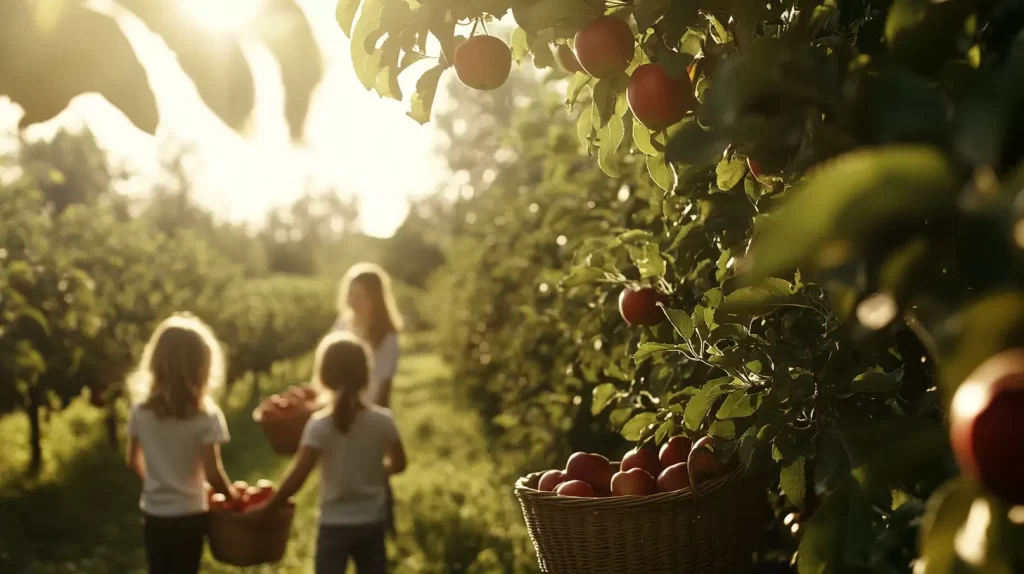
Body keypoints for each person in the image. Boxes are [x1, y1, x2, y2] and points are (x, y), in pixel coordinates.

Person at [247, 332, 407, 574]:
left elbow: (298, 476)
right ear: (365, 375)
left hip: (334, 524)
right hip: (372, 521)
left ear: (324, 376)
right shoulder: (383, 421)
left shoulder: (320, 425)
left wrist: (269, 508)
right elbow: (399, 464)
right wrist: (375, 470)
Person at [125, 313, 238, 574]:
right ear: (203, 367)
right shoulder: (206, 417)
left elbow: (132, 460)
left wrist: (159, 482)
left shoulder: (140, 413)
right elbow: (212, 472)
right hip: (190, 514)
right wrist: (233, 499)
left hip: (155, 513)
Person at [333, 263, 404, 409]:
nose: (353, 301)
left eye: (360, 296)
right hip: (340, 408)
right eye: (351, 294)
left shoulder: (386, 337)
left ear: (375, 299)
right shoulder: (343, 325)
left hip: (367, 410)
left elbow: (384, 388)